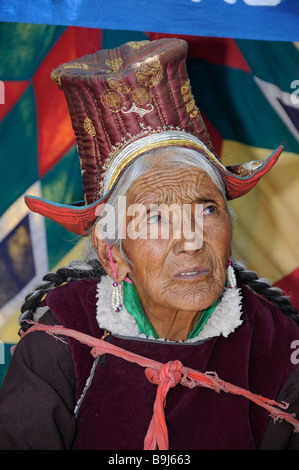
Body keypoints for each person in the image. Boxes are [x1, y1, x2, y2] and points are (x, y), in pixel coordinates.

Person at [0, 38, 299, 451]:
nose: (192, 241)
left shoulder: (275, 341)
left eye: (207, 209)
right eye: (155, 218)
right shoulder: (63, 336)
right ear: (112, 252)